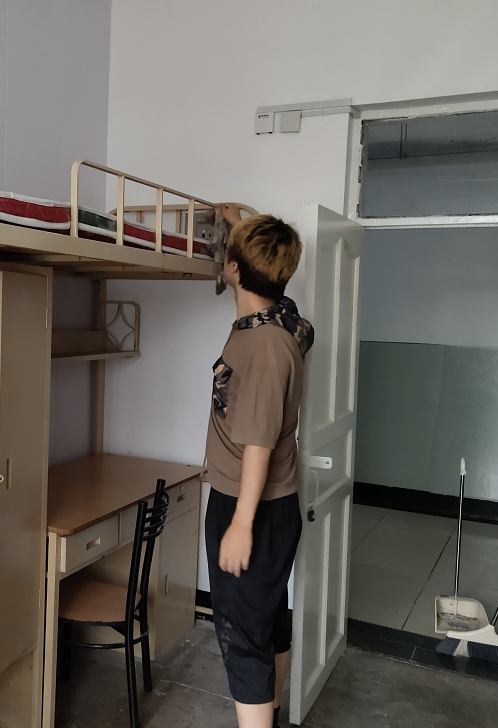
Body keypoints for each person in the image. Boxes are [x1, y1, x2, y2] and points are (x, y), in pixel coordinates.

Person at [205, 204, 312, 728]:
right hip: (268, 507)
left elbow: (259, 445)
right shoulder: (284, 321)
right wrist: (239, 225)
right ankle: (272, 714)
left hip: (251, 506)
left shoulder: (265, 345)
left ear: (233, 268)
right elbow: (271, 285)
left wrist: (240, 525)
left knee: (244, 637)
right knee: (266, 620)